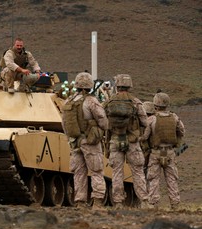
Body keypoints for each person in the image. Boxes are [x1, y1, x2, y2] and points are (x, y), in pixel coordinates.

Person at [103, 74, 151, 209]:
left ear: (117, 86)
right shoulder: (135, 102)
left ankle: (118, 202)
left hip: (114, 141)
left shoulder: (109, 102)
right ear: (129, 86)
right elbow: (145, 122)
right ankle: (144, 201)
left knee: (117, 172)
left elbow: (102, 121)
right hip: (133, 142)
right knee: (137, 172)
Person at [61, 72, 109, 210]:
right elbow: (103, 120)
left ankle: (80, 201)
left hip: (75, 142)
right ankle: (98, 201)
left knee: (79, 172)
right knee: (96, 171)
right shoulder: (91, 101)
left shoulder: (69, 101)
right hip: (90, 141)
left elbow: (64, 123)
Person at [140, 92, 185, 210]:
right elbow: (182, 131)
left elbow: (144, 137)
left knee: (153, 179)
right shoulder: (174, 117)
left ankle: (153, 204)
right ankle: (175, 204)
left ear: (155, 104)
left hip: (155, 153)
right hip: (170, 152)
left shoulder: (151, 119)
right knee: (172, 179)